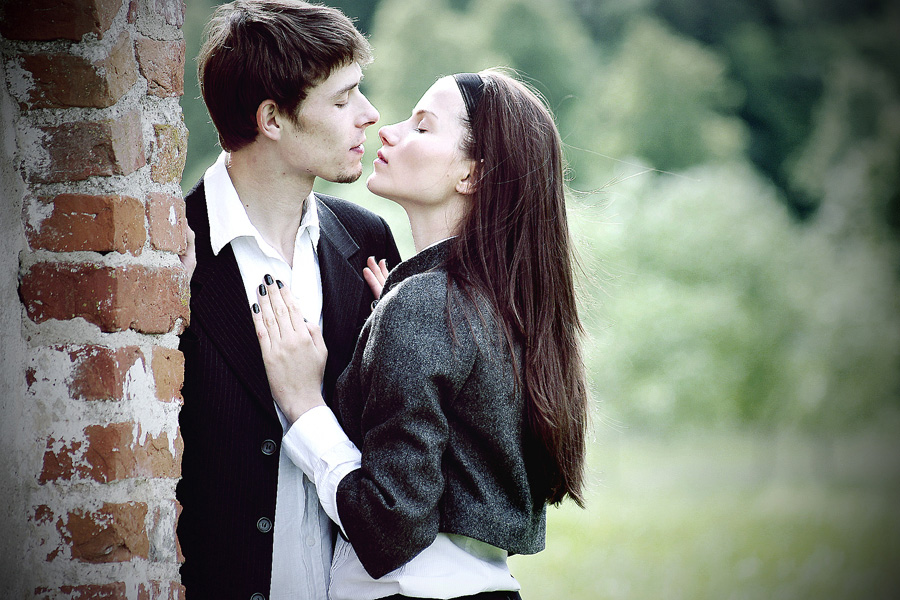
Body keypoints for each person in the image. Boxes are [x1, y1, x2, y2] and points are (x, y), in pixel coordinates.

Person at [251, 69, 589, 600]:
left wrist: (304, 407)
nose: (388, 130)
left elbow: (390, 528)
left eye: (422, 126)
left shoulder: (427, 307)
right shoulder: (500, 305)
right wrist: (391, 318)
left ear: (472, 175)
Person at [175, 2, 401, 599]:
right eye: (343, 99)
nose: (370, 114)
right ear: (272, 119)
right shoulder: (171, 256)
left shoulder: (369, 243)